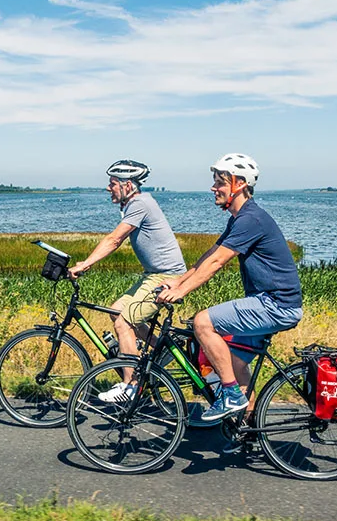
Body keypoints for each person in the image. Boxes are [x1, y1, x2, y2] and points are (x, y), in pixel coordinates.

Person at [157, 153, 303, 421]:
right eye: (215, 182)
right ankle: (248, 427)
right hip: (266, 301)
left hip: (276, 304)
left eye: (220, 183)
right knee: (234, 364)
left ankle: (232, 396)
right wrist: (179, 280)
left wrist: (180, 293)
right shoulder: (239, 218)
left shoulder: (252, 219)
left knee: (203, 323)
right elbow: (210, 254)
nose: (214, 188)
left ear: (240, 185)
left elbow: (217, 262)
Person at [68, 159, 187, 402]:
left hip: (166, 277)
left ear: (127, 185)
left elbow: (114, 239)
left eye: (112, 184)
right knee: (116, 310)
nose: (108, 188)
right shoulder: (137, 203)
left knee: (124, 322)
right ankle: (162, 350)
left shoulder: (140, 204)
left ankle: (130, 386)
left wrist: (84, 264)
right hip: (153, 275)